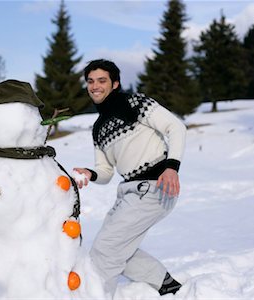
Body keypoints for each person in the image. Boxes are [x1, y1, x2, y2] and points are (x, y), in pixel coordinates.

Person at [73, 59, 186, 296]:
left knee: (106, 250)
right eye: (91, 81)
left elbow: (176, 127)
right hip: (129, 192)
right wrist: (91, 173)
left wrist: (172, 167)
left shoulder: (135, 102)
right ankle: (166, 284)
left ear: (115, 84)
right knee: (116, 246)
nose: (95, 86)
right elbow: (105, 172)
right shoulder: (98, 128)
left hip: (155, 188)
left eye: (102, 80)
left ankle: (96, 295)